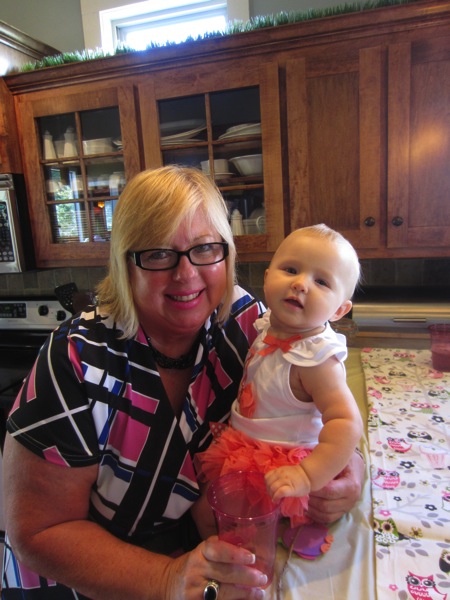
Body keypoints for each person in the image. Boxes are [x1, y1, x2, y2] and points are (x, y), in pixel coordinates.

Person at [2, 167, 364, 600]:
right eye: (159, 253)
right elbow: (38, 532)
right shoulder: (75, 360)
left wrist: (347, 472)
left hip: (205, 563)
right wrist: (167, 578)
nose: (187, 274)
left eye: (205, 248)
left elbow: (312, 414)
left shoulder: (247, 322)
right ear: (125, 262)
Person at [196, 224, 364, 528]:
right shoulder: (267, 325)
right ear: (266, 277)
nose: (301, 284)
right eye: (290, 270)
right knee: (208, 512)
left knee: (252, 528)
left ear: (339, 310)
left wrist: (307, 475)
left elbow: (347, 422)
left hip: (284, 465)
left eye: (322, 281)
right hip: (242, 446)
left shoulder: (316, 360)